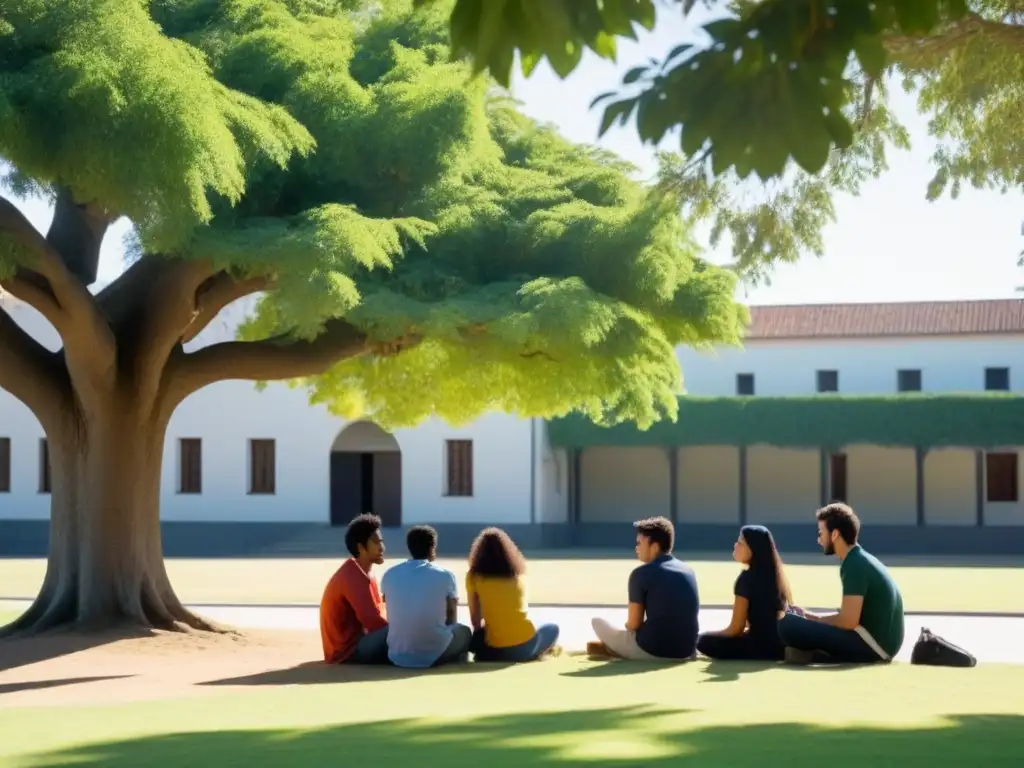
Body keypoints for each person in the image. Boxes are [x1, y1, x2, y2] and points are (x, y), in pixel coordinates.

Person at [778, 503, 905, 665]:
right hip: (879, 644)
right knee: (795, 621)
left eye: (821, 533)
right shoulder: (860, 558)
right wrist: (809, 616)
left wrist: (812, 620)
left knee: (786, 624)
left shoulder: (853, 564)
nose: (819, 540)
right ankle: (819, 655)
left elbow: (848, 621)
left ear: (835, 534)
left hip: (873, 648)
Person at [589, 516, 699, 661]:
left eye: (640, 543)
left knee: (597, 622)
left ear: (655, 546)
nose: (636, 548)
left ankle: (617, 650)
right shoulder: (688, 570)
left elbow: (634, 624)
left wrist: (628, 629)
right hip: (687, 651)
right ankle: (616, 648)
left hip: (652, 651)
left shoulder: (640, 574)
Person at [380, 525, 473, 668]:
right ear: (432, 548)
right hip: (434, 654)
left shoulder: (389, 574)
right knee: (464, 631)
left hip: (396, 654)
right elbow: (452, 614)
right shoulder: (446, 576)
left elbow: (388, 607)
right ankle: (457, 663)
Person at [696, 525, 791, 661]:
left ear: (753, 549)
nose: (735, 545)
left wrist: (706, 635)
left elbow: (736, 628)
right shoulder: (775, 576)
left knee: (704, 641)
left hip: (760, 648)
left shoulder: (746, 579)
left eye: (740, 543)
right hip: (780, 643)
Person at [465, 527, 560, 662]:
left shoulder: (473, 577)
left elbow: (475, 620)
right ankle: (539, 652)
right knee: (552, 628)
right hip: (525, 645)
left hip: (495, 650)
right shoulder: (518, 575)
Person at [319, 513, 390, 664]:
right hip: (347, 652)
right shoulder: (352, 576)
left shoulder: (364, 571)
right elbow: (374, 623)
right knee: (408, 632)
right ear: (361, 547)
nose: (382, 547)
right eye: (376, 542)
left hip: (358, 644)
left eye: (382, 542)